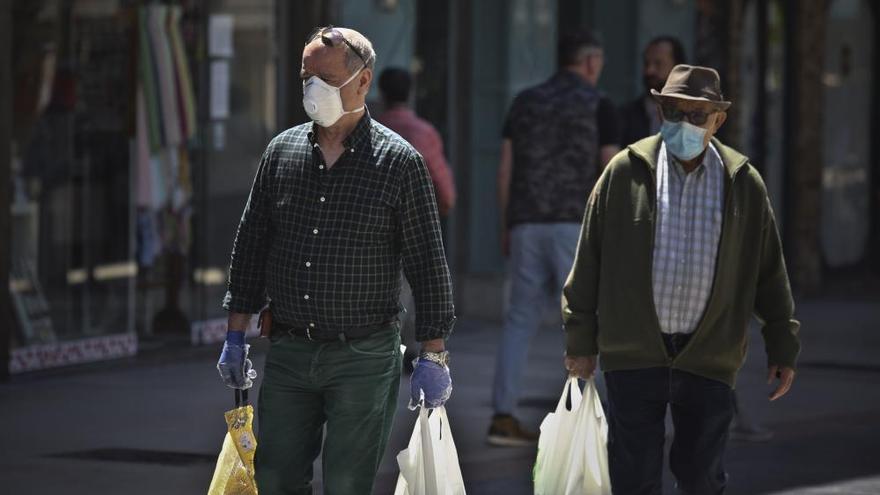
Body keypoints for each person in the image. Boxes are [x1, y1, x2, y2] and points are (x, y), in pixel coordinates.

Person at [216, 26, 456, 494]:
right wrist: (234, 333)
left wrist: (434, 354)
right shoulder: (281, 152)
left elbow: (427, 262)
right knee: (277, 478)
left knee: (347, 482)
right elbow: (250, 246)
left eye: (325, 79)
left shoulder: (399, 162)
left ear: (363, 81)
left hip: (363, 357)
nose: (312, 89)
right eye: (307, 77)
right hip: (289, 351)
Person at [562, 65, 800, 494]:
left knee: (702, 478)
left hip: (709, 355)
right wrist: (580, 341)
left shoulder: (743, 183)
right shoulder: (625, 171)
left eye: (696, 115)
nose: (683, 125)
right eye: (674, 113)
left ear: (718, 119)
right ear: (659, 111)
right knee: (633, 479)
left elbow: (769, 271)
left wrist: (782, 341)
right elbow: (589, 259)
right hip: (634, 353)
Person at [489, 31, 620, 447]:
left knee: (519, 320)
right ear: (591, 62)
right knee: (585, 321)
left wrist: (507, 224)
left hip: (527, 222)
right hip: (575, 227)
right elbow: (609, 172)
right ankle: (589, 421)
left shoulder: (524, 102)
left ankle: (503, 416)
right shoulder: (599, 105)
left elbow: (505, 168)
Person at [376, 67, 457, 371]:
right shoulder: (422, 132)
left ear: (380, 94)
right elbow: (441, 180)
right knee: (414, 289)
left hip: (373, 225)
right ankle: (405, 350)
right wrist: (444, 206)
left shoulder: (371, 128)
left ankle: (390, 349)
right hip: (415, 224)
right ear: (409, 93)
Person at [619, 35, 687, 146]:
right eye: (646, 64)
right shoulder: (625, 117)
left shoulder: (696, 117)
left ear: (678, 68)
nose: (649, 71)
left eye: (658, 64)